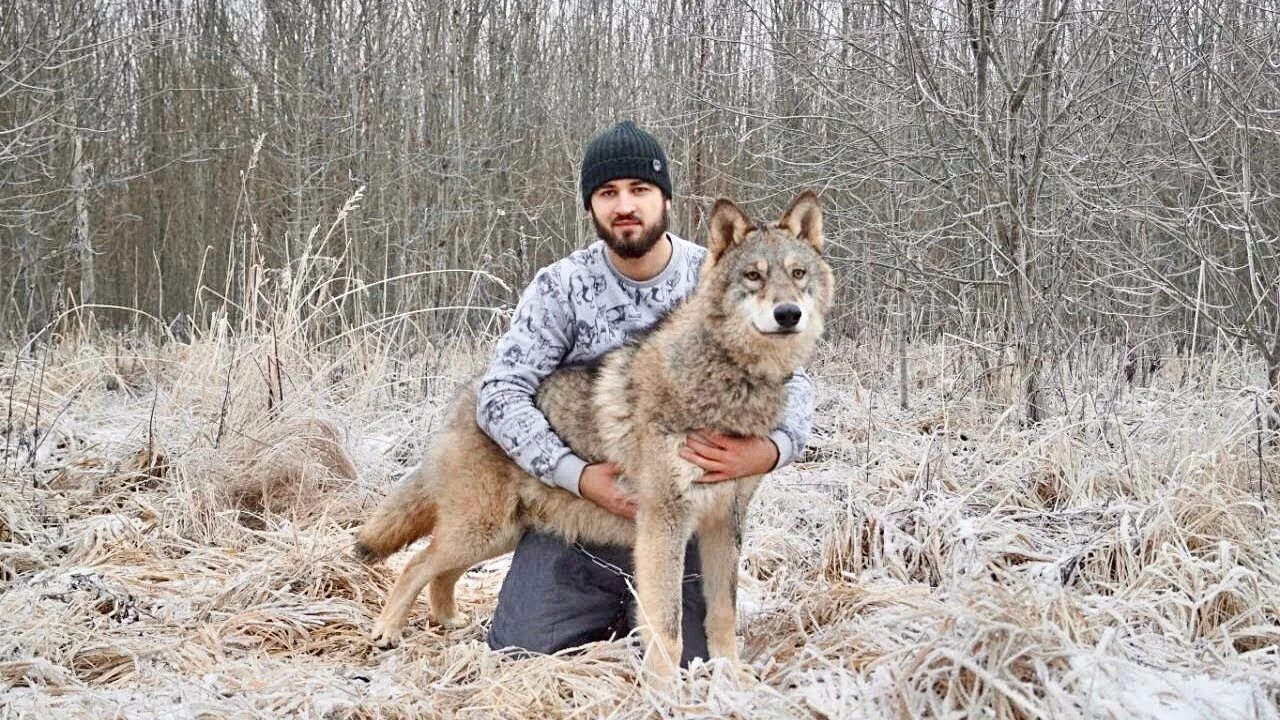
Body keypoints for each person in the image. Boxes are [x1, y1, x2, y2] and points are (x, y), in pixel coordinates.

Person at [476, 120, 815, 666]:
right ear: (591, 207)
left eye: (640, 190)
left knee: (697, 663)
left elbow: (793, 380)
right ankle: (602, 607)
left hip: (683, 515)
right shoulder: (561, 286)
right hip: (582, 512)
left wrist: (768, 451)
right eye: (608, 193)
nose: (624, 205)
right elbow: (499, 396)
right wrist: (577, 475)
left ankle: (639, 622)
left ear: (666, 199)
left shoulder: (718, 274)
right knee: (521, 651)